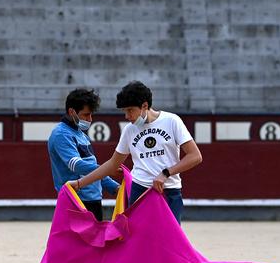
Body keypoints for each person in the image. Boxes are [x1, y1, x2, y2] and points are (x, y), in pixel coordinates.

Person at [69, 80, 202, 223]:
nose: (127, 116)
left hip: (169, 190)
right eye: (124, 111)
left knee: (168, 242)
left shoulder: (172, 121)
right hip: (139, 190)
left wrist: (166, 173)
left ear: (144, 106)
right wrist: (80, 183)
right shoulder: (129, 130)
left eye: (130, 110)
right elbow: (112, 164)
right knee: (138, 242)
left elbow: (195, 156)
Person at [48, 88, 121, 221]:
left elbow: (94, 170)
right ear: (72, 112)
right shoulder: (61, 134)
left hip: (93, 200)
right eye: (86, 115)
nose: (90, 119)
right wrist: (108, 169)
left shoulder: (82, 136)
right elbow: (76, 165)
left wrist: (115, 188)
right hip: (75, 201)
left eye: (91, 115)